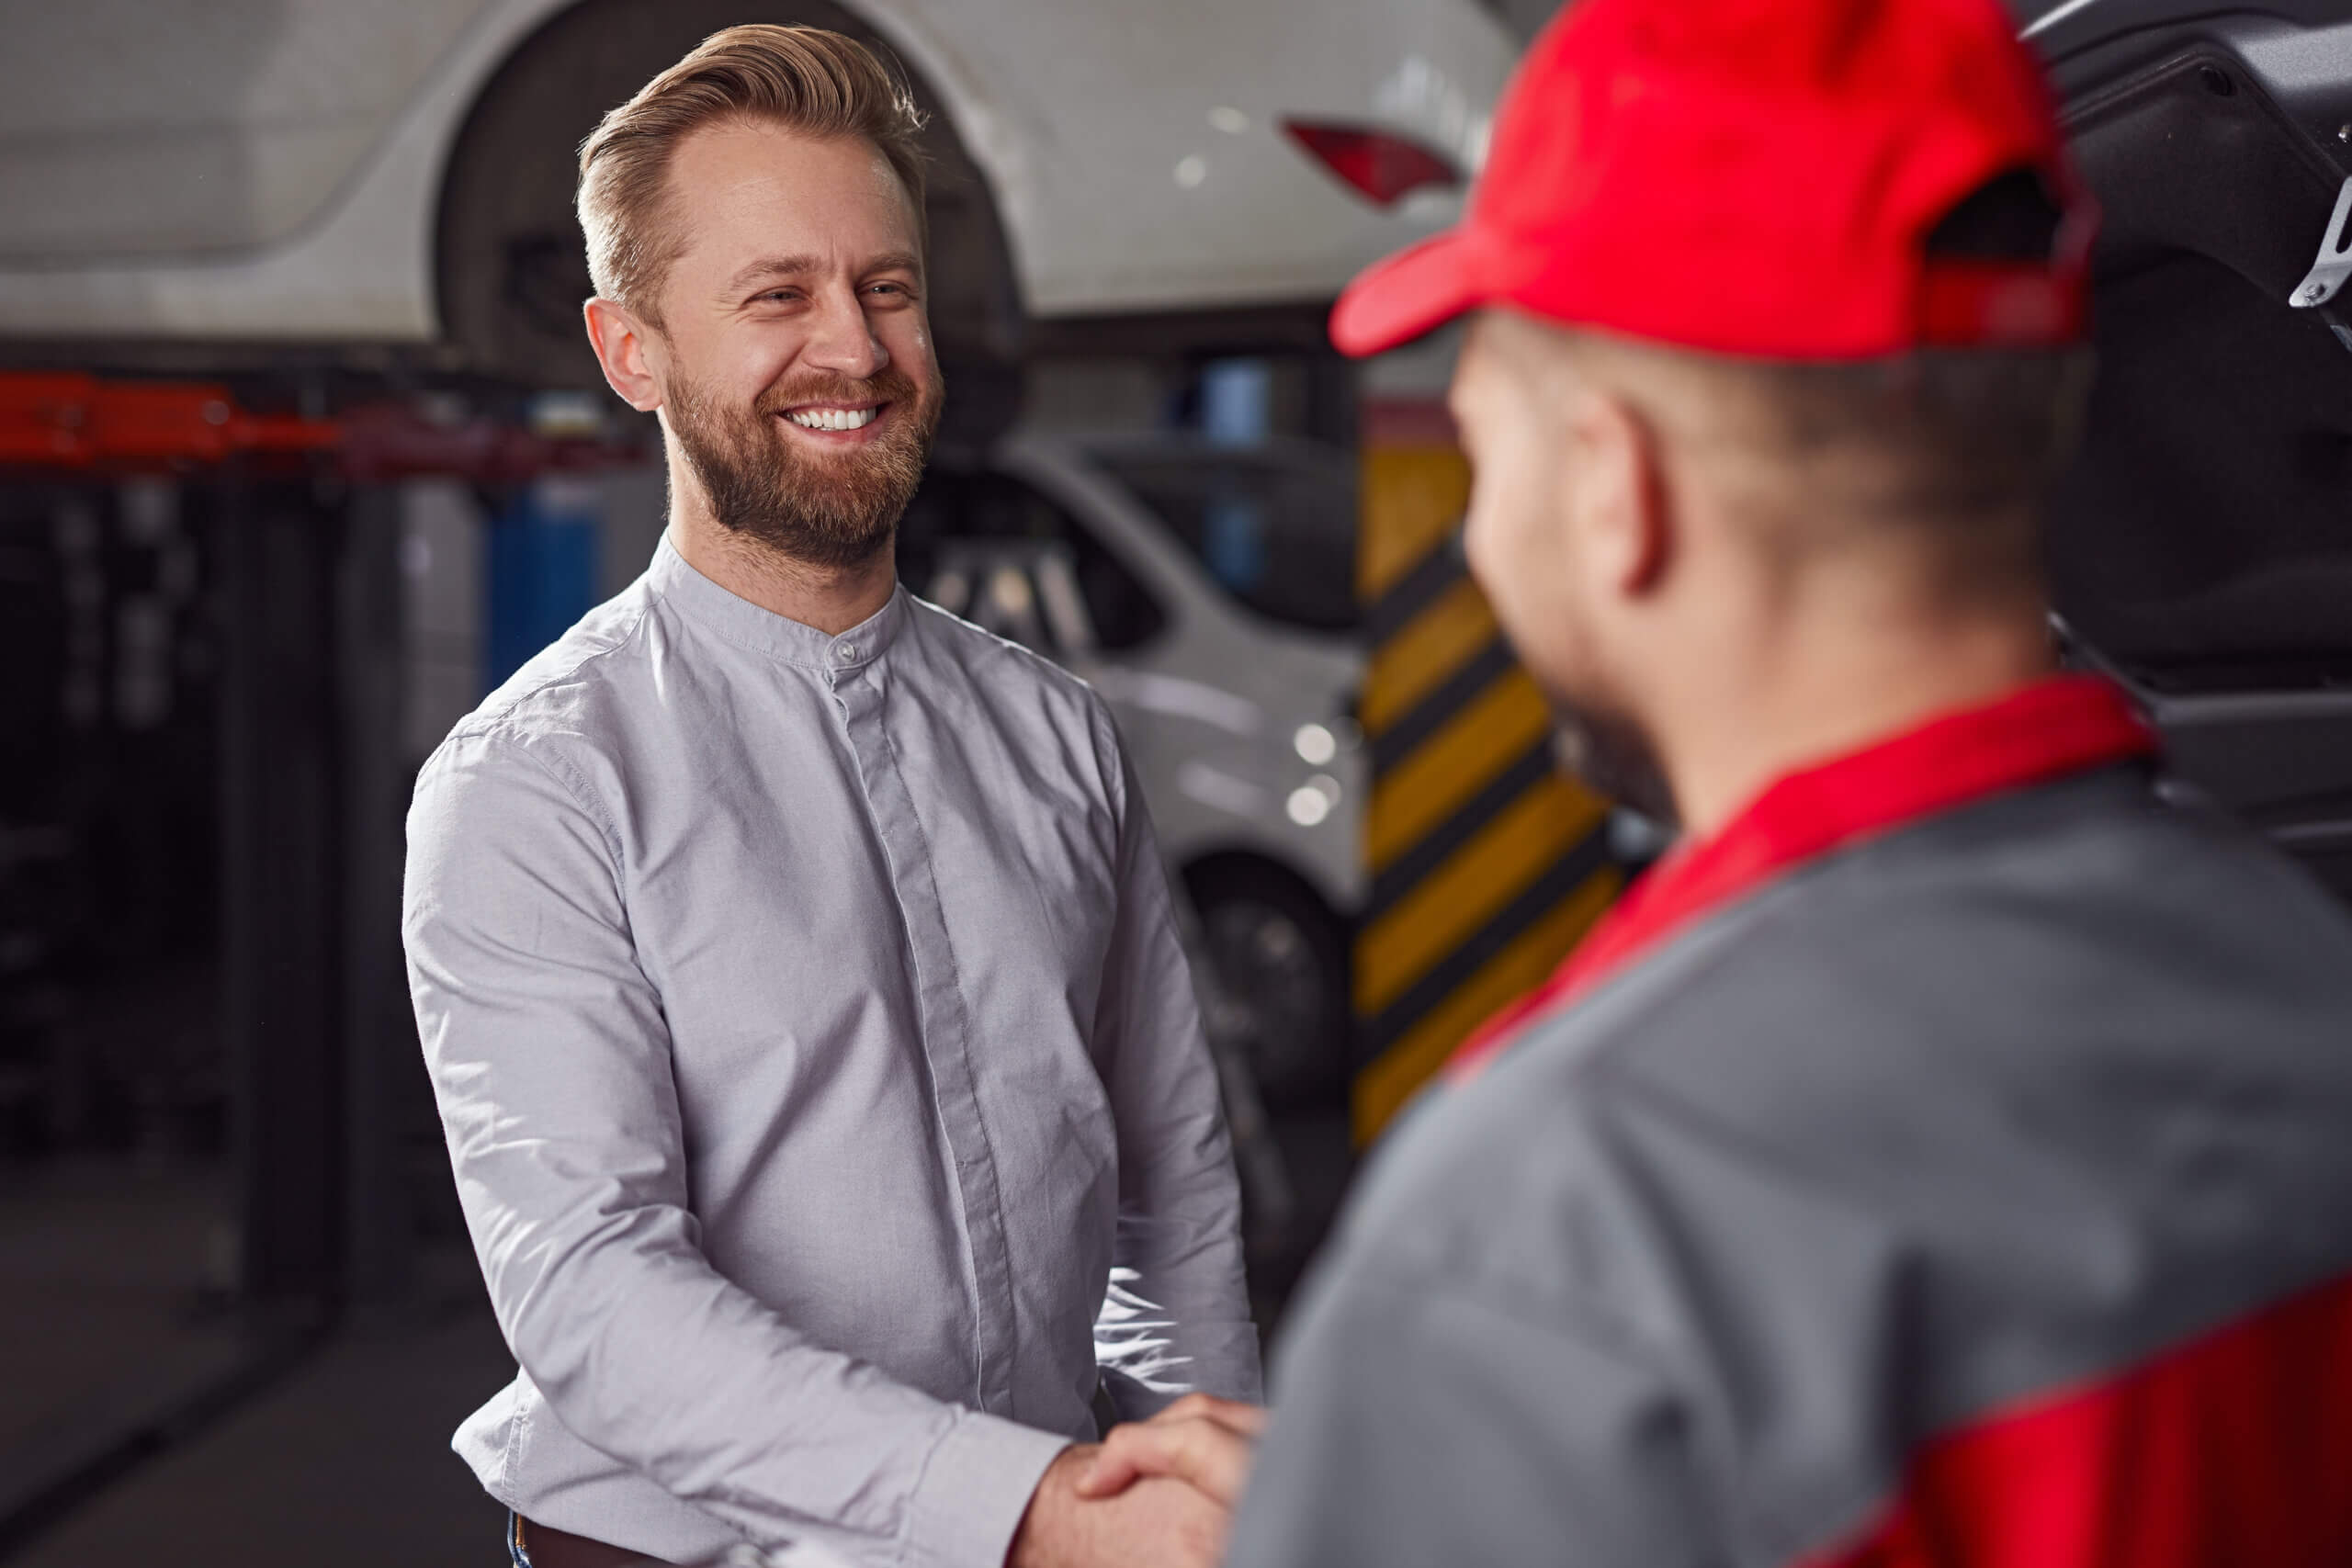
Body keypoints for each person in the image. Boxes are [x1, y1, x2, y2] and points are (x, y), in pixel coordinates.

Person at [1078, 0, 2352, 1562]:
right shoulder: (2295, 970)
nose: (1484, 536)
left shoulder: (1565, 1233)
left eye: (1491, 447)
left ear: (1618, 487)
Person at [401, 26, 1257, 1568]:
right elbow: (593, 1293)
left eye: (886, 288)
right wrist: (1025, 1509)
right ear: (631, 350)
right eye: (776, 295)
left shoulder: (1055, 736)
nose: (853, 351)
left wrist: (1198, 1495)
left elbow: (1168, 1192)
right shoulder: (535, 788)